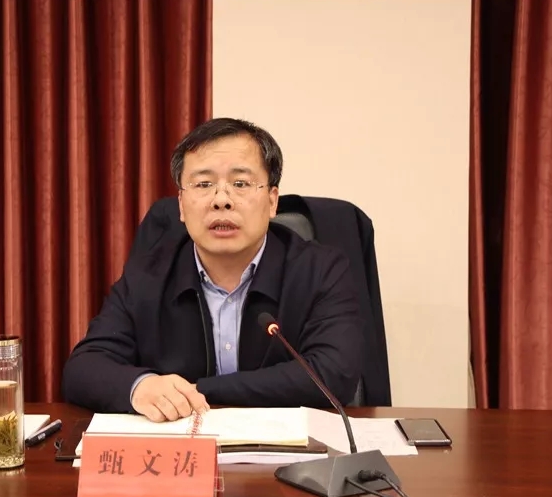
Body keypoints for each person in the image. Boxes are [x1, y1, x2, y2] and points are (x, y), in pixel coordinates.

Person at [61, 118, 365, 422]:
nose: (221, 200)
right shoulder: (148, 275)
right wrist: (140, 387)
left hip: (289, 450)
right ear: (181, 204)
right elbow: (83, 368)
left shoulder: (320, 270)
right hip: (182, 448)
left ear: (272, 201)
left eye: (240, 184)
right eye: (204, 185)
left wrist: (197, 391)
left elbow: (333, 373)